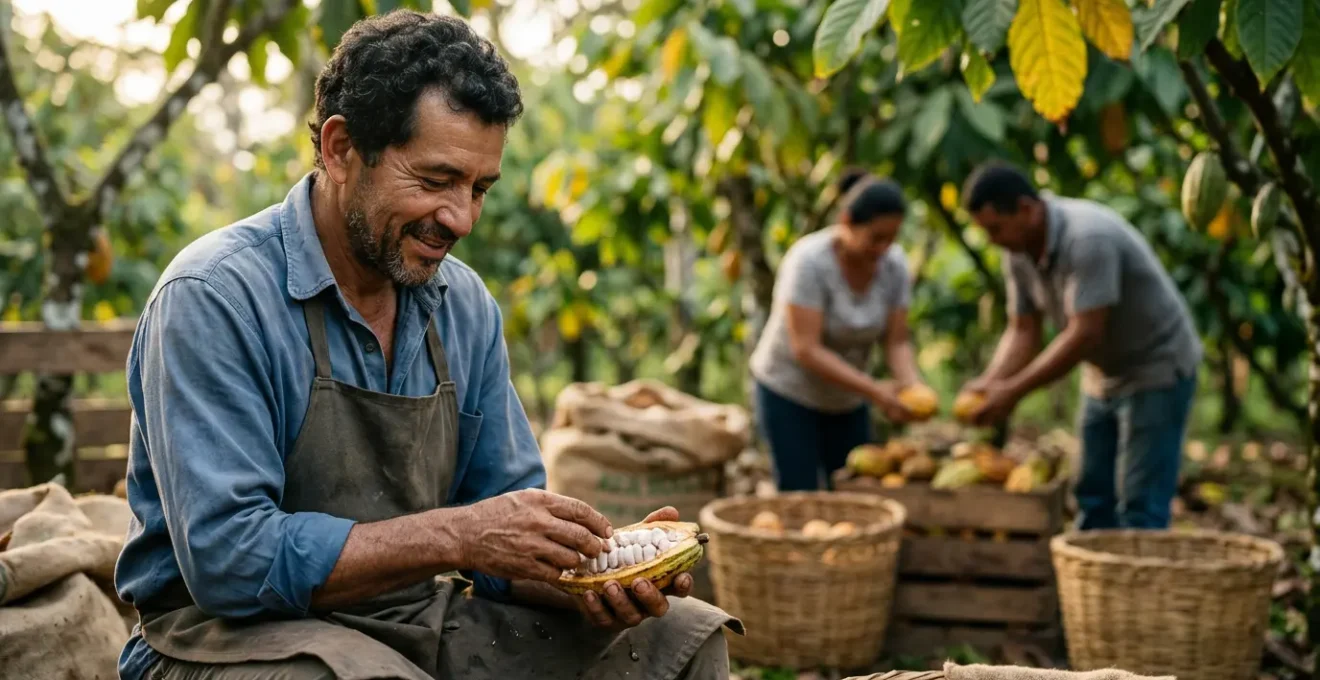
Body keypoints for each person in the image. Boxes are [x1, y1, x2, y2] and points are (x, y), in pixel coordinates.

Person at [112, 11, 740, 680]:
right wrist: (458, 534)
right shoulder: (214, 296)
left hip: (407, 618)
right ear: (341, 149)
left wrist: (590, 573)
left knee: (685, 641)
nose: (461, 218)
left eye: (480, 189)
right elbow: (229, 562)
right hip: (219, 638)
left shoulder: (463, 306)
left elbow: (503, 539)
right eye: (436, 180)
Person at [956, 161, 1202, 530]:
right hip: (1103, 373)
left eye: (996, 228)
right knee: (1091, 493)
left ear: (1026, 208)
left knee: (1140, 501)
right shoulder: (1018, 250)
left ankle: (1139, 583)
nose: (993, 240)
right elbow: (1023, 330)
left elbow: (1086, 333)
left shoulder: (1087, 238)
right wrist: (991, 382)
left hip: (1156, 366)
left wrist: (1012, 391)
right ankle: (1091, 584)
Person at [747, 169, 930, 491]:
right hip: (789, 391)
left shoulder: (894, 265)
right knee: (798, 493)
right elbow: (806, 349)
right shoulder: (808, 262)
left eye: (892, 238)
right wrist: (875, 391)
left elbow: (897, 341)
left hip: (849, 398)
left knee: (853, 491)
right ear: (846, 221)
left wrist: (911, 387)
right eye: (876, 237)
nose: (884, 247)